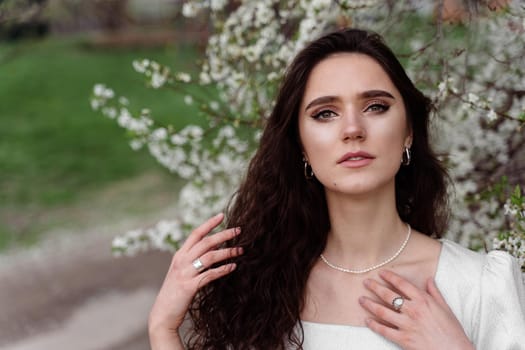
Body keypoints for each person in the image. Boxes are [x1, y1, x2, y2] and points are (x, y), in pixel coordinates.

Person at [148, 28, 525, 349]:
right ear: (300, 146)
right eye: (325, 113)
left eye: (376, 106)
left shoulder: (478, 286)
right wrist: (163, 328)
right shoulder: (263, 289)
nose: (352, 129)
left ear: (408, 131)